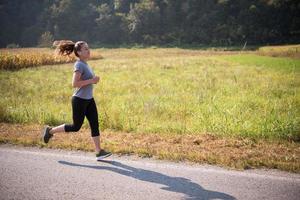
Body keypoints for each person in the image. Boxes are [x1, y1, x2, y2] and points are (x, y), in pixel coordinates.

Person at [42, 40, 111, 161]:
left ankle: (99, 151)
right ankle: (50, 131)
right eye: (85, 49)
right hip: (79, 100)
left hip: (89, 100)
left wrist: (93, 80)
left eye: (88, 48)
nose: (88, 50)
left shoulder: (85, 64)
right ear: (78, 52)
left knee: (95, 124)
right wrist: (92, 81)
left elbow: (88, 81)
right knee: (75, 126)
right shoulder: (79, 65)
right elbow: (75, 83)